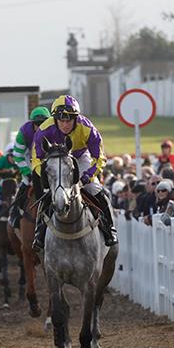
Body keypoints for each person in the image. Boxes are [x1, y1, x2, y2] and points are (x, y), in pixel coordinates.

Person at [30, 95, 118, 251]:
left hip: (79, 157)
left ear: (76, 119)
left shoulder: (88, 128)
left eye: (69, 120)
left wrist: (87, 177)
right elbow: (36, 160)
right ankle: (39, 233)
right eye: (61, 120)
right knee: (47, 195)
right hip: (54, 159)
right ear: (55, 119)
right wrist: (46, 177)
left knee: (95, 190)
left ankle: (109, 229)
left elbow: (99, 158)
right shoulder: (44, 130)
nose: (65, 124)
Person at [8, 106, 51, 229]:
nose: (40, 127)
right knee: (23, 188)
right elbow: (18, 155)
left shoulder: (55, 129)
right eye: (37, 124)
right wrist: (27, 172)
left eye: (43, 123)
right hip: (29, 163)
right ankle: (15, 216)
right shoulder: (24, 132)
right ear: (32, 123)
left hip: (49, 166)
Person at [0, 144, 20, 228]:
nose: (14, 159)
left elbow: (21, 178)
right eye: (12, 156)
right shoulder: (1, 162)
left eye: (15, 156)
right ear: (8, 155)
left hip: (15, 187)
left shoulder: (19, 162)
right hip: (1, 186)